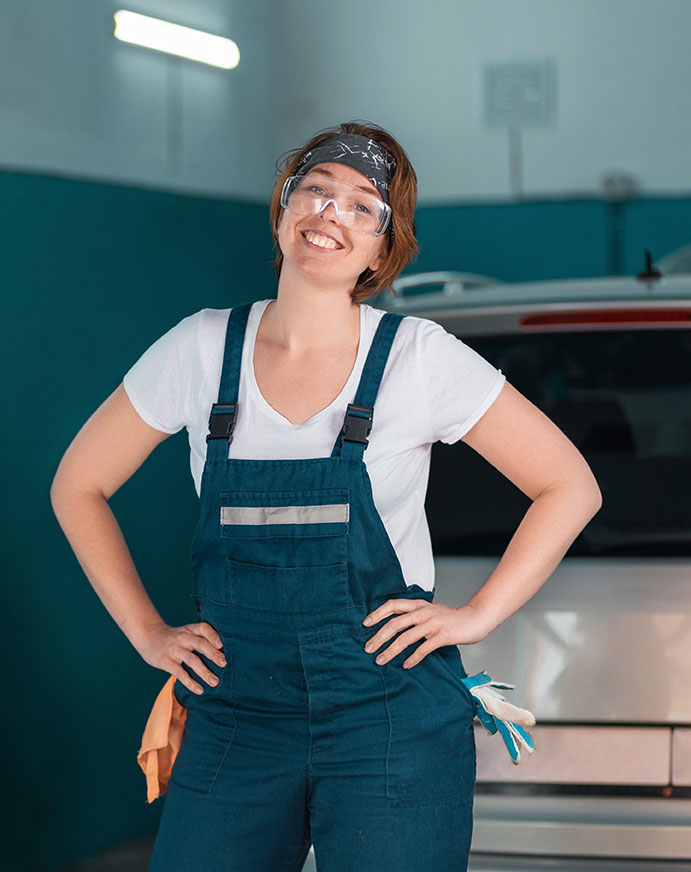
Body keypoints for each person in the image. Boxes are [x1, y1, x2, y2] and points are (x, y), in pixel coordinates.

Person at [50, 120, 602, 871]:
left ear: (383, 247)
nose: (330, 213)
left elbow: (568, 485)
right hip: (236, 711)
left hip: (387, 715)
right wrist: (147, 633)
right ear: (283, 210)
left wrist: (475, 615)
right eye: (314, 189)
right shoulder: (201, 348)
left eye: (361, 205)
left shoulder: (418, 358)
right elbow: (78, 484)